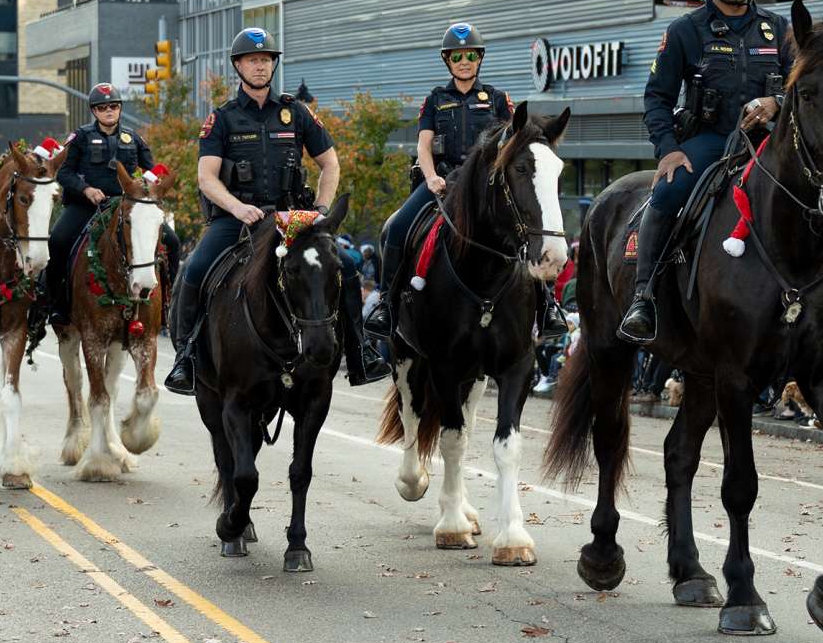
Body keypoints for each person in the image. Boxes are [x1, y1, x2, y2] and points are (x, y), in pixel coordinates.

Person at [617, 0, 823, 356]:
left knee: (819, 193)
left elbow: (805, 89)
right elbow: (658, 98)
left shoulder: (779, 30)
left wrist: (775, 102)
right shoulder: (685, 31)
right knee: (667, 192)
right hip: (709, 141)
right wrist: (668, 148)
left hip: (768, 142)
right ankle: (644, 298)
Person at [164, 27, 388, 394]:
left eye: (266, 60)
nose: (259, 66)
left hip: (291, 220)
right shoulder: (221, 118)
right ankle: (186, 358)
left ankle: (360, 351)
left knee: (345, 266)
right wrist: (237, 207)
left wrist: (320, 209)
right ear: (238, 65)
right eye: (252, 60)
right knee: (195, 268)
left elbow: (330, 164)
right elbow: (206, 178)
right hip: (238, 221)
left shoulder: (295, 113)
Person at [364, 22, 566, 340]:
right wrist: (430, 178)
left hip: (484, 189)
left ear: (479, 58)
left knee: (524, 232)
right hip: (444, 182)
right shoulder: (434, 99)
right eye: (457, 56)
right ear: (448, 60)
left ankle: (547, 306)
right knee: (397, 226)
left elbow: (515, 142)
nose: (464, 61)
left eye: (470, 55)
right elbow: (423, 145)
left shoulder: (498, 99)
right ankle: (386, 305)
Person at [46, 83, 180, 325]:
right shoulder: (81, 137)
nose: (109, 110)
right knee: (57, 241)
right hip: (87, 206)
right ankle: (57, 305)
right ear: (94, 111)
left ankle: (168, 304)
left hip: (126, 207)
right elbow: (64, 173)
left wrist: (152, 184)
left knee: (172, 242)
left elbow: (151, 172)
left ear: (119, 109)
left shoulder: (134, 138)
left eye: (114, 106)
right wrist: (85, 189)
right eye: (102, 107)